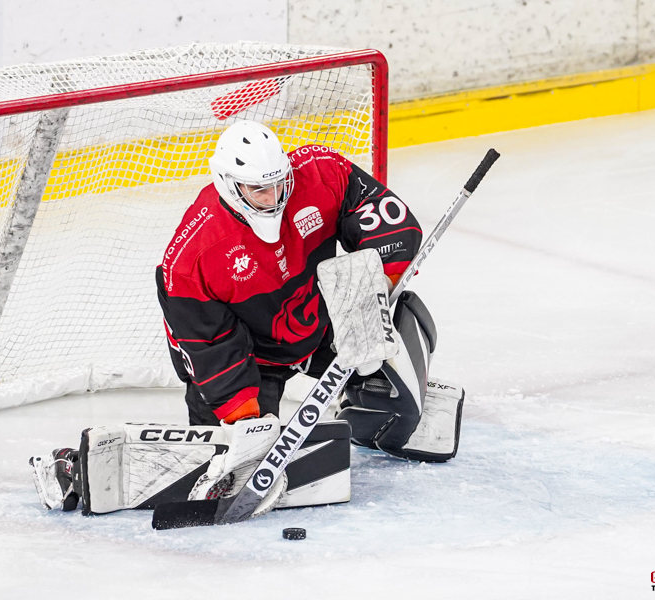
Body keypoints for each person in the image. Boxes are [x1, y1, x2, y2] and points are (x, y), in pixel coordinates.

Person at [157, 120, 442, 457]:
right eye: (259, 190)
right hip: (252, 357)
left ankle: (366, 410)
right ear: (229, 185)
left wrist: (377, 288)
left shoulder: (320, 174)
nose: (274, 196)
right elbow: (209, 345)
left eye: (279, 183)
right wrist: (245, 420)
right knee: (229, 455)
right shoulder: (192, 257)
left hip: (320, 327)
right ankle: (235, 432)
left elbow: (384, 215)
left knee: (392, 380)